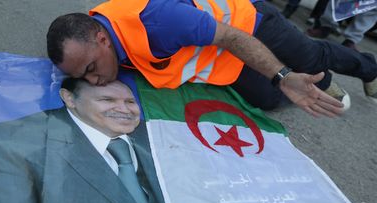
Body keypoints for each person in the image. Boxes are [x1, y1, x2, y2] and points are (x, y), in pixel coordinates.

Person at [46, 0, 377, 118]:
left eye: (91, 69)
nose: (93, 80)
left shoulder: (159, 20)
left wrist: (282, 75)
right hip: (221, 62)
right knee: (266, 100)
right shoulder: (96, 32)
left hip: (250, 25)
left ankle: (367, 67)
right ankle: (317, 79)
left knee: (312, 56)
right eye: (83, 78)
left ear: (102, 39)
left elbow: (233, 37)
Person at [0, 78, 167, 203]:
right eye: (107, 99)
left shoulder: (161, 135)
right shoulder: (0, 144)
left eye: (130, 101)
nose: (124, 109)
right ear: (69, 98)